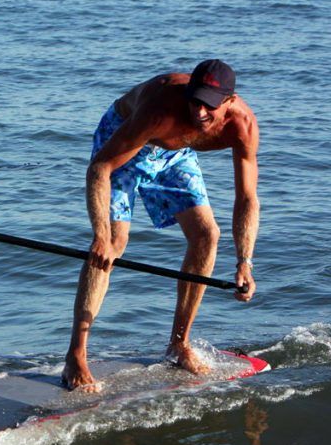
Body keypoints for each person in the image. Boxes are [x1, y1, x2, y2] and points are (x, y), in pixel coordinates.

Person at [62, 59, 259, 392]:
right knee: (114, 242)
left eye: (208, 106)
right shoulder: (161, 107)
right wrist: (99, 236)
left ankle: (179, 344)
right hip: (126, 139)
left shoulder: (242, 126)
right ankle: (76, 356)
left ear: (228, 101)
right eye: (194, 100)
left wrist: (244, 262)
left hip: (174, 154)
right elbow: (100, 169)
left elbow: (247, 198)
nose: (198, 112)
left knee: (207, 235)